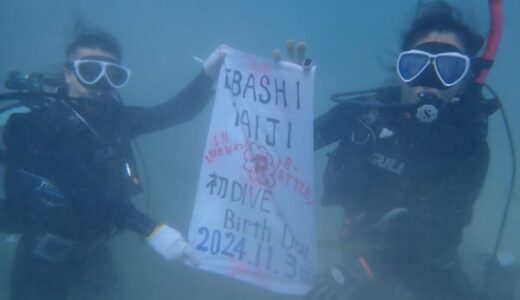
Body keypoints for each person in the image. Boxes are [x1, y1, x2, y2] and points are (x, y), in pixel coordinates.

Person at [1, 27, 225, 300]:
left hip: (93, 253)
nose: (101, 82)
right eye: (90, 71)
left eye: (113, 74)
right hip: (40, 263)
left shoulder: (115, 120)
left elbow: (173, 113)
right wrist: (150, 230)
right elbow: (82, 192)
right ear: (69, 72)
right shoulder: (38, 124)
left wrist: (208, 76)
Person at [305, 2, 503, 300]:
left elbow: (439, 231)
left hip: (427, 267)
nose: (428, 81)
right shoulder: (367, 113)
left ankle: (498, 274)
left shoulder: (469, 147)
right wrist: (291, 88)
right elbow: (291, 140)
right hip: (360, 253)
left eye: (448, 69)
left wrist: (364, 268)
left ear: (464, 82)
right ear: (400, 71)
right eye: (416, 65)